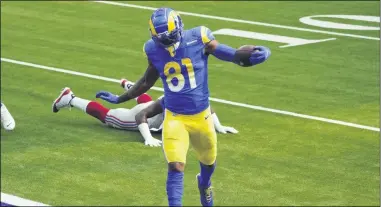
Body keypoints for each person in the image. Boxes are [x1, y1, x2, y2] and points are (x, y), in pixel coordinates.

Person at [96, 8, 270, 206]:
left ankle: (204, 184)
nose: (167, 42)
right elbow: (146, 81)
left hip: (202, 117)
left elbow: (229, 54)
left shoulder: (199, 38)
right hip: (175, 118)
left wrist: (251, 56)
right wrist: (121, 98)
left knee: (208, 163)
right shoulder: (153, 49)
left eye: (169, 36)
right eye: (162, 38)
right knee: (176, 166)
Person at [52, 79, 238, 147]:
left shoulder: (192, 98)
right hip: (140, 118)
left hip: (152, 111)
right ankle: (70, 98)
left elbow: (207, 108)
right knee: (108, 116)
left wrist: (219, 127)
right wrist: (148, 138)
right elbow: (141, 116)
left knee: (149, 103)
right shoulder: (170, 101)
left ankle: (128, 85)